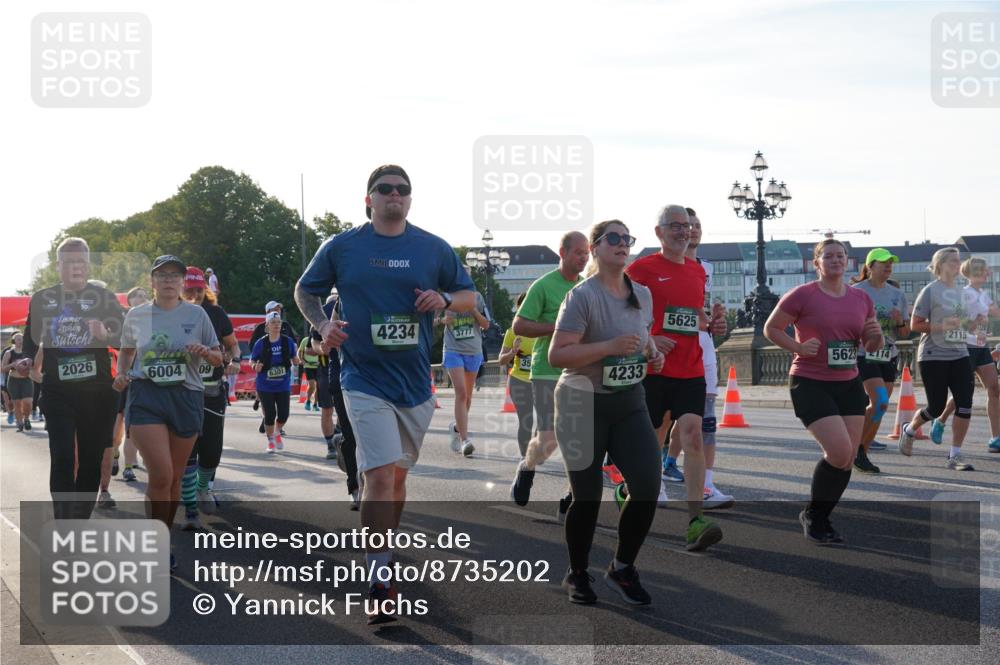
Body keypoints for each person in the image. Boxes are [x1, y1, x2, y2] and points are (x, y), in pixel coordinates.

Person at [295, 164, 475, 625]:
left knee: (396, 480)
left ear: (409, 200)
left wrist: (445, 301)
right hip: (362, 377)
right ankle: (379, 578)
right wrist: (324, 325)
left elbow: (468, 298)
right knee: (377, 477)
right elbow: (305, 291)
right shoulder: (342, 246)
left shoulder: (433, 248)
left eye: (403, 190)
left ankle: (385, 550)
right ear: (368, 199)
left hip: (414, 383)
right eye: (385, 189)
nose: (394, 195)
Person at [549, 220, 665, 605]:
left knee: (648, 486)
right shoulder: (582, 296)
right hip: (581, 402)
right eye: (612, 238)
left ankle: (622, 566)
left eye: (626, 238)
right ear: (596, 249)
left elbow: (641, 337)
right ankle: (577, 573)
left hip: (629, 401)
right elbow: (558, 354)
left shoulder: (643, 294)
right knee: (588, 497)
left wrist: (653, 354)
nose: (621, 244)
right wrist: (608, 346)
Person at [764, 239, 883, 544]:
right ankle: (814, 516)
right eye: (827, 256)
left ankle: (819, 517)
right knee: (840, 452)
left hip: (848, 382)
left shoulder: (861, 299)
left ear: (849, 262)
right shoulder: (803, 294)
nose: (835, 260)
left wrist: (875, 338)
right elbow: (772, 328)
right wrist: (799, 347)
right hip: (810, 381)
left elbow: (870, 344)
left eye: (840, 255)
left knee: (846, 459)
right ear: (816, 263)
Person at [626, 205, 727, 550]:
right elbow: (624, 314)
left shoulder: (698, 272)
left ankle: (695, 520)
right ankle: (633, 488)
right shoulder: (641, 269)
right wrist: (650, 341)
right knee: (653, 438)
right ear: (659, 232)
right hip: (655, 368)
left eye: (687, 226)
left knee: (693, 437)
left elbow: (692, 316)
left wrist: (711, 324)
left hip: (691, 369)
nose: (683, 232)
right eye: (675, 226)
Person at [115, 255, 222, 570]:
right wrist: (122, 374)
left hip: (186, 396)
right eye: (162, 276)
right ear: (152, 281)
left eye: (175, 276)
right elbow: (126, 353)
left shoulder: (197, 314)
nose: (168, 281)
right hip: (147, 395)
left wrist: (206, 353)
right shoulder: (136, 315)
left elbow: (218, 357)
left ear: (182, 282)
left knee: (174, 478)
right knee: (161, 473)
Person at [22, 237, 125, 519]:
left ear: (88, 265)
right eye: (69, 262)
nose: (75, 267)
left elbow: (126, 335)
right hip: (58, 391)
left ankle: (79, 522)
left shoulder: (104, 297)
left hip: (98, 392)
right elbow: (32, 340)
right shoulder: (43, 299)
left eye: (80, 262)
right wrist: (26, 358)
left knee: (91, 461)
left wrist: (105, 334)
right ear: (58, 266)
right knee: (64, 456)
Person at [509, 231, 590, 516]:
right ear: (563, 252)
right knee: (548, 440)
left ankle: (573, 496)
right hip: (546, 371)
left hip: (579, 371)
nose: (584, 257)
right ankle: (526, 467)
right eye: (578, 252)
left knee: (580, 438)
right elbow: (519, 325)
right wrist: (558, 329)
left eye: (587, 253)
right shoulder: (543, 286)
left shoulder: (586, 288)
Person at [666, 208, 733, 508]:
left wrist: (714, 323)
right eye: (685, 225)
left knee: (706, 420)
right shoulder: (656, 266)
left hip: (701, 348)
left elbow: (699, 313)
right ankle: (650, 480)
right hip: (668, 350)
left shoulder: (705, 267)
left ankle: (706, 486)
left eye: (696, 225)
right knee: (663, 418)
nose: (692, 230)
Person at [898, 248, 985, 470]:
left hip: (959, 354)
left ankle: (954, 456)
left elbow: (961, 325)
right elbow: (915, 325)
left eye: (959, 261)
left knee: (965, 403)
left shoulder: (959, 292)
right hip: (932, 355)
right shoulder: (930, 291)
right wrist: (941, 326)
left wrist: (974, 324)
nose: (958, 265)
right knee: (936, 407)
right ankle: (909, 429)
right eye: (953, 261)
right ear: (941, 264)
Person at [179, 267, 241, 529]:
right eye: (189, 290)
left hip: (212, 390)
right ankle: (191, 507)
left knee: (212, 451)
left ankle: (203, 487)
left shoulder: (215, 313)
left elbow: (233, 344)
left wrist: (234, 359)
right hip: (181, 391)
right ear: (181, 290)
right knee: (187, 452)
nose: (194, 295)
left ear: (205, 289)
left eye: (198, 289)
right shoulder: (172, 314)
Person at [930, 257, 1000, 453]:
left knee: (994, 389)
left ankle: (995, 438)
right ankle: (941, 420)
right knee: (964, 392)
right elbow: (955, 322)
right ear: (974, 272)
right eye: (985, 270)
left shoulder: (983, 295)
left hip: (982, 347)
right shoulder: (963, 295)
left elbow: (997, 312)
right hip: (964, 347)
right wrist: (973, 326)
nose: (988, 273)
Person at [849, 248, 910, 474]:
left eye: (890, 263)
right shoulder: (856, 292)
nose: (888, 266)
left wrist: (899, 322)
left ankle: (860, 450)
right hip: (864, 354)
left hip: (888, 355)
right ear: (869, 266)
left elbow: (904, 334)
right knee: (880, 401)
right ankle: (856, 446)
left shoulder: (898, 294)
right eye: (883, 263)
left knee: (880, 407)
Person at [310, 291, 361, 509]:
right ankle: (355, 487)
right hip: (341, 376)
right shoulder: (330, 307)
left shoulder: (371, 296)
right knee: (351, 436)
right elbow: (315, 342)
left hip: (373, 376)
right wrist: (325, 345)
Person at [438, 290, 490, 456]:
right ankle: (465, 440)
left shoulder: (477, 297)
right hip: (453, 350)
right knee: (460, 394)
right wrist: (442, 320)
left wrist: (474, 310)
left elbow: (486, 324)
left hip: (474, 351)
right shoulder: (445, 297)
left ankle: (456, 428)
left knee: (467, 397)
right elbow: (426, 321)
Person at [251, 311, 300, 453]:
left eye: (279, 322)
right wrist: (255, 366)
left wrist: (296, 360)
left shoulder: (287, 342)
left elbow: (294, 357)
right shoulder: (261, 343)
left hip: (283, 384)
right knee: (270, 415)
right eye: (273, 323)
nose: (277, 325)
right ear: (267, 326)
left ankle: (277, 431)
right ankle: (271, 441)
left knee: (284, 414)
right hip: (265, 385)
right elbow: (252, 359)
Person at [498, 292, 536, 459]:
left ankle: (535, 448)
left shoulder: (543, 329)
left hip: (541, 380)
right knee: (526, 421)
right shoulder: (512, 332)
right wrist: (513, 352)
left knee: (545, 423)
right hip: (519, 381)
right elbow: (501, 360)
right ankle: (525, 458)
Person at [118, 286, 150, 482]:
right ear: (129, 301)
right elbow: (121, 349)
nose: (141, 297)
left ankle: (143, 459)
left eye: (144, 295)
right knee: (127, 427)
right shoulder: (126, 319)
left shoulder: (157, 316)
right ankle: (127, 466)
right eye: (137, 296)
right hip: (129, 378)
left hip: (152, 379)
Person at [1, 333, 35, 432]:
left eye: (22, 339)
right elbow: (2, 369)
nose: (21, 341)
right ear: (14, 341)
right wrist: (13, 364)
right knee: (17, 403)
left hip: (27, 380)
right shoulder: (9, 353)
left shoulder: (27, 352)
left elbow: (35, 366)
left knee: (28, 402)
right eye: (18, 339)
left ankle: (27, 419)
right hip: (13, 381)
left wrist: (29, 365)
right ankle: (20, 423)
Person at [299, 333, 320, 411]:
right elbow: (299, 352)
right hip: (308, 366)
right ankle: (308, 400)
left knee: (318, 387)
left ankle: (315, 404)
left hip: (318, 366)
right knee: (312, 385)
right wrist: (302, 361)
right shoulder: (305, 340)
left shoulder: (320, 340)